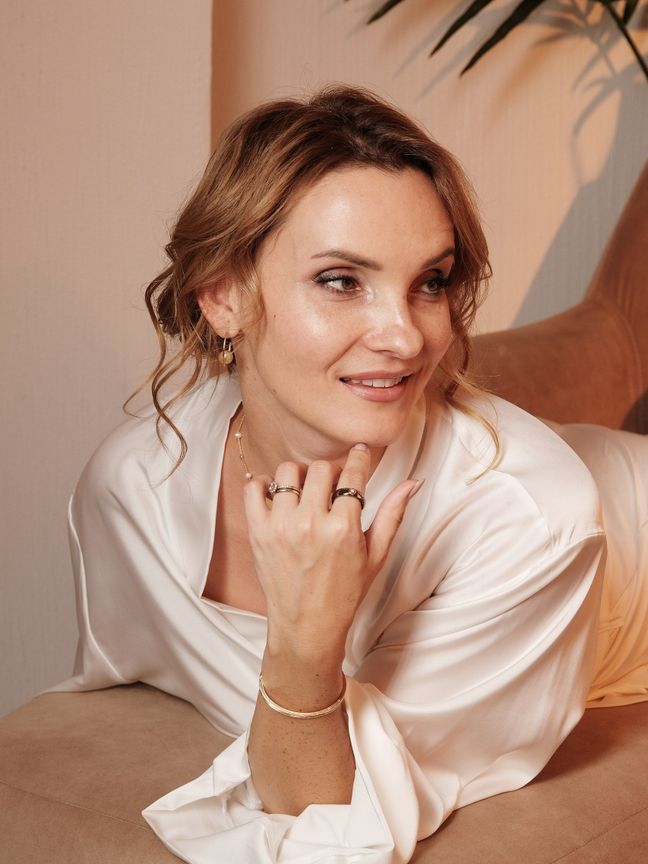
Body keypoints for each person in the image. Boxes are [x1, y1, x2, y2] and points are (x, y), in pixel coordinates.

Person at [51, 85, 648, 863]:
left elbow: (336, 822)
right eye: (341, 280)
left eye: (431, 282)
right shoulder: (134, 492)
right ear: (222, 294)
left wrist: (305, 649)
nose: (406, 337)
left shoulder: (529, 516)